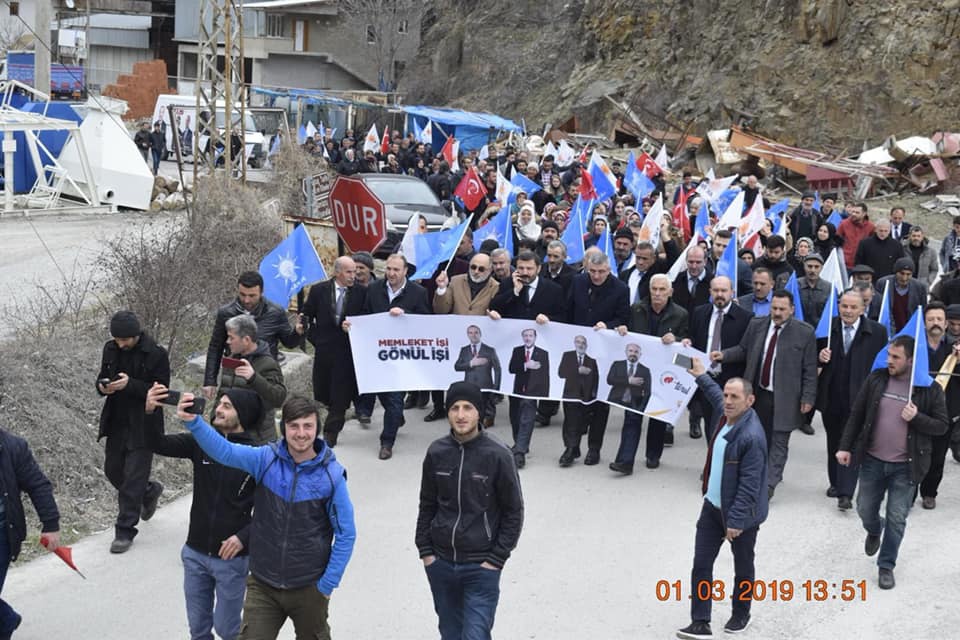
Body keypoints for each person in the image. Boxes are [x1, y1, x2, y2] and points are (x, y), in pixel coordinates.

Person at [177, 394, 356, 639]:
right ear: (283, 428)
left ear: (317, 429)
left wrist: (327, 585)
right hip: (263, 586)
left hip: (309, 588)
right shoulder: (265, 460)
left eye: (308, 426)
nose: (301, 433)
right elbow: (225, 451)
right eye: (294, 426)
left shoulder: (331, 476)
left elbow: (346, 534)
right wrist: (194, 422)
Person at [145, 386, 260, 640]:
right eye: (219, 403)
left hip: (232, 560)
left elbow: (270, 512)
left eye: (227, 406)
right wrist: (151, 410)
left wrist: (242, 537)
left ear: (243, 413)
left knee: (227, 629)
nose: (218, 409)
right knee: (198, 630)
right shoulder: (202, 442)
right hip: (194, 553)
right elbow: (157, 442)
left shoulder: (257, 456)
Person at [837, 336, 948, 590]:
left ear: (910, 360)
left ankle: (886, 565)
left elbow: (942, 426)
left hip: (906, 466)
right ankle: (875, 529)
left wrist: (917, 417)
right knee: (865, 509)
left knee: (897, 517)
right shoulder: (877, 379)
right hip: (873, 460)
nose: (889, 361)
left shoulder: (929, 389)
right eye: (889, 355)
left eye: (896, 357)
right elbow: (857, 413)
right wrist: (845, 446)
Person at [416, 381, 524, 640]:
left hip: (481, 566)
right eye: (454, 408)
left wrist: (496, 559)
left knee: (475, 636)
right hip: (441, 563)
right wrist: (426, 550)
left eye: (467, 407)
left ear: (479, 412)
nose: (461, 414)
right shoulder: (436, 452)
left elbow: (514, 511)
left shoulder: (498, 455)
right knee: (450, 634)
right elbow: (427, 503)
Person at [676, 358, 768, 639]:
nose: (727, 401)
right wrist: (701, 375)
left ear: (749, 401)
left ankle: (741, 614)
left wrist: (736, 520)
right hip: (712, 508)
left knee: (742, 567)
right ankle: (700, 622)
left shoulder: (751, 436)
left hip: (741, 515)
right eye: (727, 395)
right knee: (701, 564)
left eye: (734, 397)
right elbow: (715, 395)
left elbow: (750, 486)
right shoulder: (725, 415)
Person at [713, 291, 817, 499]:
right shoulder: (757, 325)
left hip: (785, 398)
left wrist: (807, 398)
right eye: (774, 308)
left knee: (779, 442)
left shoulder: (804, 332)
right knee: (754, 438)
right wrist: (723, 355)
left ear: (792, 309)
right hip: (757, 395)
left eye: (781, 309)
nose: (776, 313)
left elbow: (809, 368)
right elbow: (743, 350)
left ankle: (769, 485)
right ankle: (750, 475)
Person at [96, 310, 170, 553]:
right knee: (113, 470)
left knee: (133, 478)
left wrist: (131, 385)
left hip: (144, 421)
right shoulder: (110, 349)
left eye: (125, 340)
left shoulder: (156, 354)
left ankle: (124, 530)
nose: (121, 344)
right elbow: (102, 376)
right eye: (117, 339)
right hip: (117, 419)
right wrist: (103, 387)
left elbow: (162, 391)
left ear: (136, 335)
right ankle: (149, 492)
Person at [815, 290, 888, 509]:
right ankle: (836, 483)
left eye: (853, 307)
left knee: (852, 444)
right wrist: (819, 357)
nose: (848, 311)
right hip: (832, 398)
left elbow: (883, 367)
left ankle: (846, 492)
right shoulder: (827, 329)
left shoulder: (877, 332)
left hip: (860, 399)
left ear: (862, 308)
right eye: (844, 306)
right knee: (834, 441)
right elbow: (810, 361)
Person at [358, 253, 431, 460]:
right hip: (377, 353)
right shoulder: (373, 289)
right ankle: (396, 416)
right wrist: (353, 326)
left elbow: (427, 322)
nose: (391, 273)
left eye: (396, 270)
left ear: (406, 271)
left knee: (395, 397)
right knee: (382, 392)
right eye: (388, 269)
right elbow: (365, 314)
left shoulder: (418, 293)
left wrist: (405, 315)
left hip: (402, 356)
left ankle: (386, 442)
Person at [611, 274, 688, 470]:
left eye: (662, 290)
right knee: (632, 416)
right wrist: (621, 329)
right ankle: (625, 460)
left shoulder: (680, 314)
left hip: (663, 374)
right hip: (639, 371)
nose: (657, 294)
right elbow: (625, 330)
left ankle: (653, 455)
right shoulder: (636, 309)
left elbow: (688, 343)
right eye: (654, 289)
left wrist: (678, 338)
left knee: (657, 417)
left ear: (670, 292)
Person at [561, 251, 630, 467]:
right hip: (578, 349)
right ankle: (571, 446)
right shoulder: (578, 282)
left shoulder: (620, 288)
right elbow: (568, 311)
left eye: (601, 272)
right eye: (593, 271)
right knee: (572, 400)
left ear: (608, 270)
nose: (597, 276)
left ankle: (594, 448)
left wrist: (608, 326)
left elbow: (623, 319)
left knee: (599, 402)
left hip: (603, 354)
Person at [298, 257, 366, 447]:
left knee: (340, 395)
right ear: (337, 272)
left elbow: (367, 316)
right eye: (349, 272)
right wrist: (311, 334)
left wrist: (355, 326)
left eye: (355, 271)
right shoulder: (319, 291)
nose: (354, 276)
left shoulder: (361, 293)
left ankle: (331, 432)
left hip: (347, 352)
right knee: (324, 392)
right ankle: (335, 411)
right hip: (324, 350)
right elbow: (307, 312)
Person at [0, 426, 61, 637]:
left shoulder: (13, 447)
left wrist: (51, 524)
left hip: (2, 536)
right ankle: (6, 619)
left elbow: (38, 485)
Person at [203, 272, 298, 402]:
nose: (246, 300)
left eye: (252, 296)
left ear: (261, 292)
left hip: (264, 373)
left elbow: (289, 343)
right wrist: (210, 380)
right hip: (233, 375)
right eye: (242, 295)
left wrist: (299, 333)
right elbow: (215, 347)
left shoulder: (275, 313)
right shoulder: (226, 313)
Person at [685, 276, 753, 440]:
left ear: (732, 292)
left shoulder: (746, 317)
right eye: (716, 290)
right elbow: (692, 337)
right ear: (710, 292)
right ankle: (712, 462)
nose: (720, 294)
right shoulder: (700, 312)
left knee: (729, 428)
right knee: (711, 427)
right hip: (706, 378)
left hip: (731, 380)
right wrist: (687, 340)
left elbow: (746, 350)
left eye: (724, 291)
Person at [217, 314, 287, 445]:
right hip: (230, 437)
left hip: (257, 440)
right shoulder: (232, 359)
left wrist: (254, 378)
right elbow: (223, 392)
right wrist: (215, 420)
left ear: (246, 340)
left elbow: (279, 399)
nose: (227, 341)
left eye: (231, 337)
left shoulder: (268, 364)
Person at [917, 304, 958, 509]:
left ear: (946, 323)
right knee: (912, 451)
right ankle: (908, 490)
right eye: (931, 319)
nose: (935, 323)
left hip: (946, 410)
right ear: (924, 323)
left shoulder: (955, 348)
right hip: (917, 408)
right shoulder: (914, 345)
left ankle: (929, 492)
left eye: (939, 319)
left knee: (938, 455)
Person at [875, 258, 928, 333]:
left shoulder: (919, 288)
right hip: (887, 328)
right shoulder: (883, 283)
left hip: (909, 330)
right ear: (896, 272)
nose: (904, 278)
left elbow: (923, 311)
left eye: (908, 274)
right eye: (902, 273)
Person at [671, 246, 712, 316]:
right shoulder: (676, 280)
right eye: (691, 262)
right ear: (686, 260)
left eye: (698, 262)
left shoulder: (713, 282)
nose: (694, 266)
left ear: (705, 261)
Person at [796, 253, 831, 327]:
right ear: (804, 267)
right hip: (798, 329)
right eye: (809, 266)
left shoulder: (829, 288)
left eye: (816, 267)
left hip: (820, 332)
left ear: (821, 268)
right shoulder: (795, 285)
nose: (813, 270)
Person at [836, 202, 874, 269]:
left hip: (862, 264)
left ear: (864, 214)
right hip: (845, 263)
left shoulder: (871, 227)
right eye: (853, 212)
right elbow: (836, 241)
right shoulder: (843, 224)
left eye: (857, 213)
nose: (853, 214)